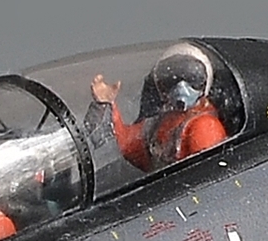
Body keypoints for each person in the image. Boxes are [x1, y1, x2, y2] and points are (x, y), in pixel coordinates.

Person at [90, 45, 232, 175]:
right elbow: (129, 145)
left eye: (192, 78)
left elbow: (206, 178)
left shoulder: (204, 128)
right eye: (171, 80)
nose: (181, 87)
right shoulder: (164, 120)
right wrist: (105, 104)